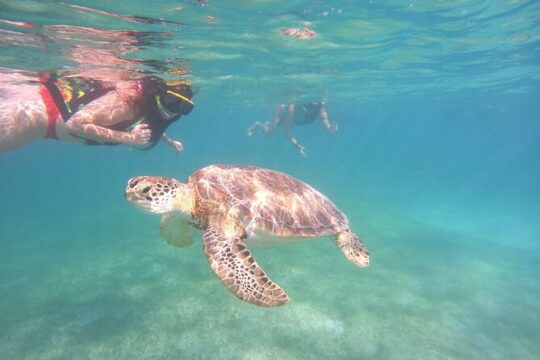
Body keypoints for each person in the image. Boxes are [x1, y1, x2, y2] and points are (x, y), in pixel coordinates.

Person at [0, 69, 194, 153]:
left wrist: (168, 141)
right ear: (158, 94)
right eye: (172, 101)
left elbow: (146, 122)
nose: (173, 111)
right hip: (37, 118)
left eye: (183, 107)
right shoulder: (127, 103)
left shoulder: (150, 107)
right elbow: (75, 124)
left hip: (42, 121)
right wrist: (130, 139)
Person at [247, 101, 338, 158]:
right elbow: (287, 131)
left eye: (314, 106)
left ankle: (268, 124)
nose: (309, 109)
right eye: (309, 106)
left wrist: (331, 129)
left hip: (297, 119)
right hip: (283, 114)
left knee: (271, 128)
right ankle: (258, 125)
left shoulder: (320, 110)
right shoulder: (292, 109)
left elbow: (327, 128)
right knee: (269, 133)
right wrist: (296, 144)